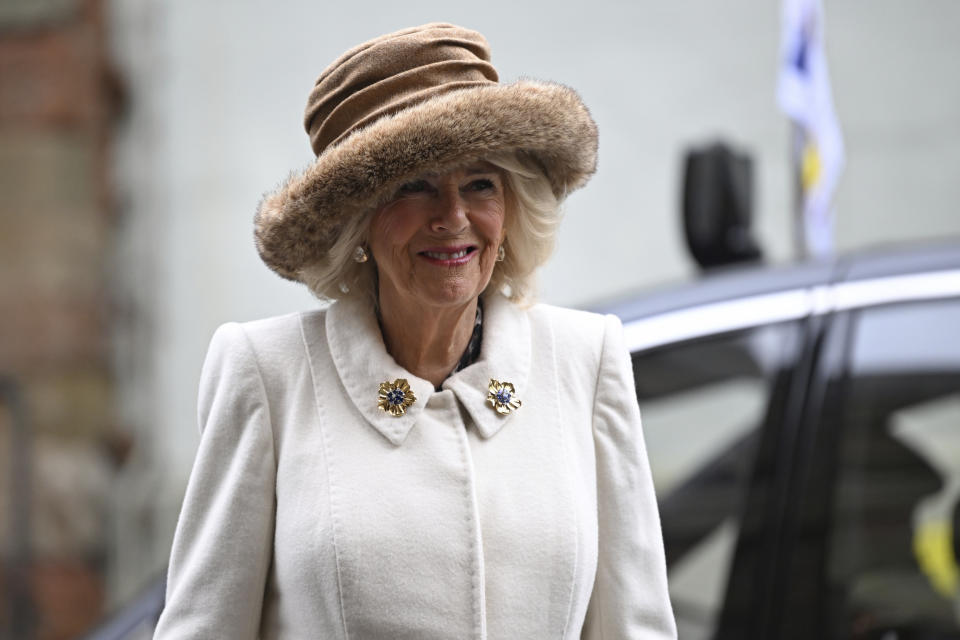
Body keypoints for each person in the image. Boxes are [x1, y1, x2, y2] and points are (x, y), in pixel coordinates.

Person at [154, 23, 676, 639]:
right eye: (414, 186)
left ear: (509, 210)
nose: (452, 217)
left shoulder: (586, 361)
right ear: (358, 224)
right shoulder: (267, 372)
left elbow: (636, 628)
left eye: (480, 182)